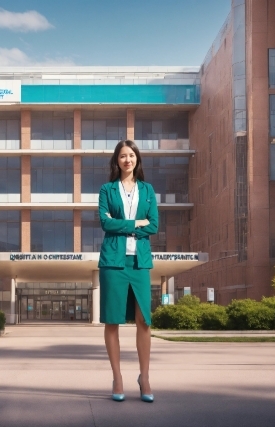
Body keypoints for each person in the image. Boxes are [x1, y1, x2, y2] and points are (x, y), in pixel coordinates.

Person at [97, 139, 158, 403]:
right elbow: (104, 223)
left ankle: (144, 377)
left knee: (144, 321)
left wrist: (121, 223)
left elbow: (153, 225)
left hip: (139, 263)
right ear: (116, 161)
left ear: (137, 160)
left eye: (131, 155)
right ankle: (118, 377)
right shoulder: (106, 190)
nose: (127, 160)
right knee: (113, 321)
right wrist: (135, 223)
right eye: (122, 156)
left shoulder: (148, 190)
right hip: (113, 262)